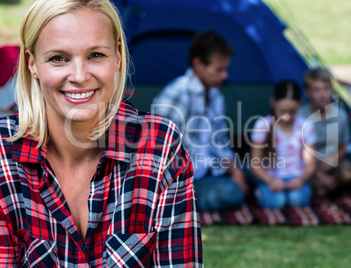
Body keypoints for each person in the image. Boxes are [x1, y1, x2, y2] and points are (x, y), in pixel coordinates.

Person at [0, 0, 203, 266]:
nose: (80, 75)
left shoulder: (160, 144)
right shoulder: (4, 154)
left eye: (95, 55)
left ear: (117, 56)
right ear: (32, 63)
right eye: (58, 58)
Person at [152, 30, 247, 212]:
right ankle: (180, 205)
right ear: (198, 64)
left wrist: (236, 171)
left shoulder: (215, 96)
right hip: (183, 182)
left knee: (253, 172)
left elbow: (221, 143)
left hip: (210, 169)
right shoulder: (177, 93)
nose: (225, 76)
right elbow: (157, 148)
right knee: (231, 193)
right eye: (219, 70)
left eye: (225, 69)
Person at [250, 80, 316, 208]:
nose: (286, 117)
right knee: (277, 202)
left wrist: (301, 179)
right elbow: (255, 165)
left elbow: (310, 165)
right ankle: (261, 192)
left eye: (292, 112)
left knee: (296, 200)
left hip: (296, 176)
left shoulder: (306, 126)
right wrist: (270, 180)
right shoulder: (262, 125)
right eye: (282, 111)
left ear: (300, 103)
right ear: (273, 101)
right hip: (271, 177)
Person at [299, 68, 351, 198]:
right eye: (316, 90)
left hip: (333, 162)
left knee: (347, 174)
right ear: (307, 92)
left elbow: (343, 148)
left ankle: (335, 188)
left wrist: (327, 164)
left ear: (331, 90)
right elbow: (297, 152)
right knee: (319, 191)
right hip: (308, 166)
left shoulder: (340, 115)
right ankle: (321, 189)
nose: (322, 94)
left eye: (326, 89)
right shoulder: (301, 117)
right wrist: (317, 172)